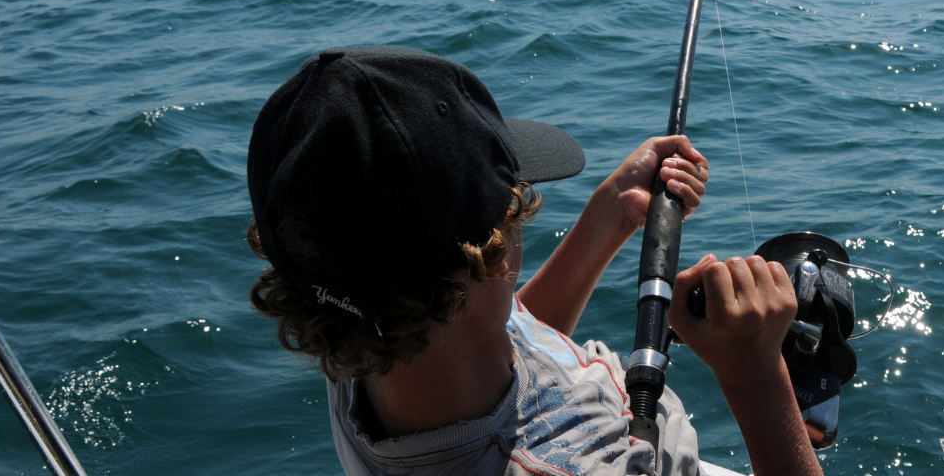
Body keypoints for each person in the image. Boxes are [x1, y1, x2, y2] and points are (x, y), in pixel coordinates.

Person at [245, 46, 822, 476]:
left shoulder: (357, 333)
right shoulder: (571, 466)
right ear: (495, 256)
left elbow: (495, 335)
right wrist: (755, 377)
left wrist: (612, 214)